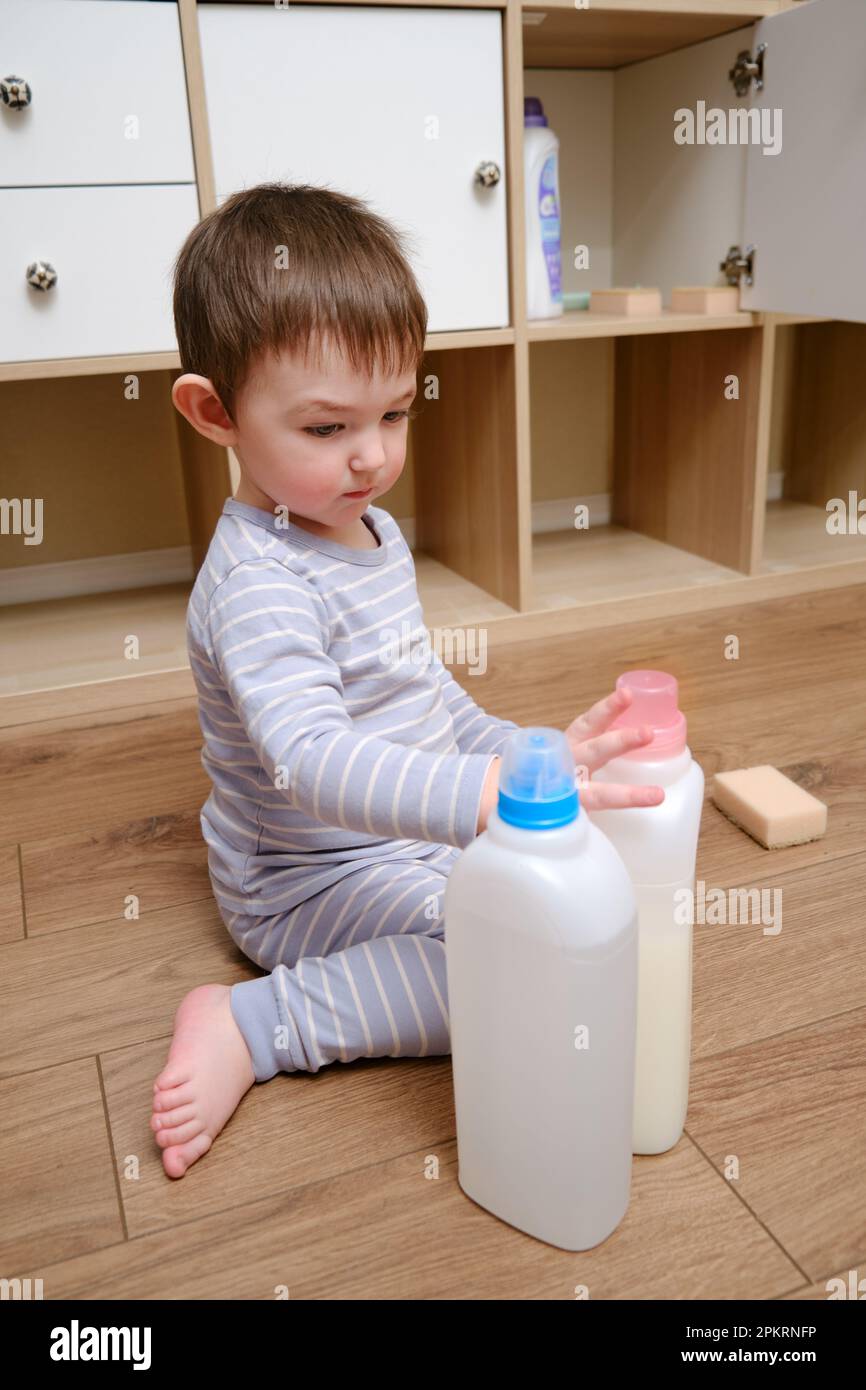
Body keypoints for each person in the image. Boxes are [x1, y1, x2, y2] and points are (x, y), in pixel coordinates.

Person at [152, 182, 663, 1178]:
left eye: (394, 410)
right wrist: (469, 800)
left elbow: (420, 695)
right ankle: (252, 1025)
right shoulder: (258, 583)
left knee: (571, 903)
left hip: (404, 846)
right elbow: (311, 761)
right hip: (304, 880)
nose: (375, 456)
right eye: (326, 429)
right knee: (492, 974)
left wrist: (523, 754)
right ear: (214, 412)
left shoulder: (363, 528)